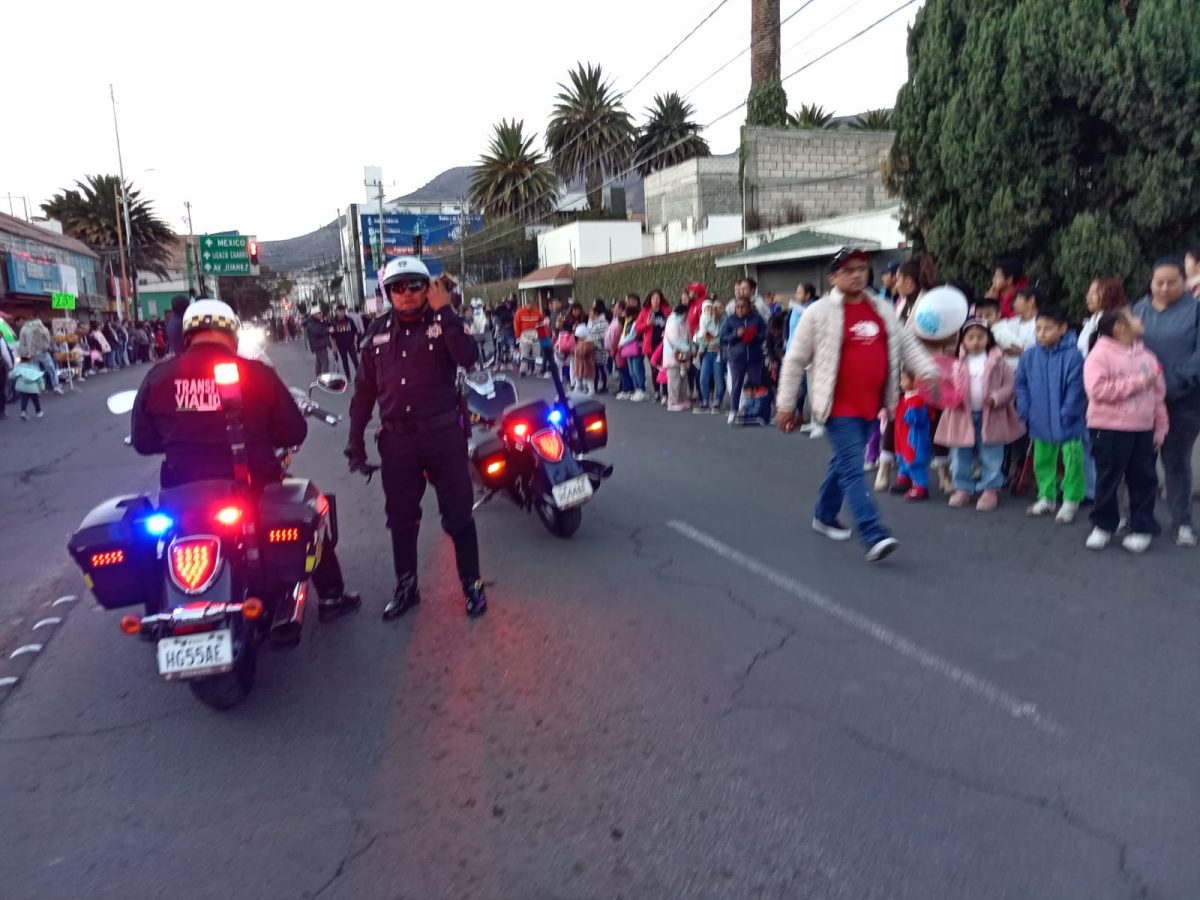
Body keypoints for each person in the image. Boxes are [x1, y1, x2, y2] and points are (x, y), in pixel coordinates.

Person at [130, 299, 361, 620]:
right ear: (232, 335)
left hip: (182, 494)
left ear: (186, 335)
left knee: (158, 541)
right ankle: (332, 597)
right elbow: (293, 431)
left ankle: (160, 605)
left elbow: (143, 442)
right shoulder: (256, 373)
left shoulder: (159, 376)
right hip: (254, 487)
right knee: (312, 508)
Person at [344, 257, 487, 619]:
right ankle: (406, 586)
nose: (405, 294)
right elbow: (363, 393)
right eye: (397, 287)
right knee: (402, 519)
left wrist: (445, 312)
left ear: (428, 288)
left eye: (413, 285)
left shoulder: (445, 322)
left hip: (443, 436)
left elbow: (468, 358)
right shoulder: (375, 333)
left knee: (458, 517)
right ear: (387, 292)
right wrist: (354, 439)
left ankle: (472, 584)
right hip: (397, 443)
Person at [777, 248, 940, 561]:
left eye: (862, 268)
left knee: (843, 463)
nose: (857, 274)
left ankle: (824, 515)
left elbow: (906, 343)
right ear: (834, 276)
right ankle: (873, 532)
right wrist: (786, 405)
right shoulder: (819, 312)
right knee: (853, 469)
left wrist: (928, 371)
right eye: (849, 269)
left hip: (872, 405)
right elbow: (795, 359)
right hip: (838, 408)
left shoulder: (881, 307)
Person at [1083, 309, 1168, 553]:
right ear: (1120, 327)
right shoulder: (1099, 355)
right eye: (1133, 317)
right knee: (1108, 479)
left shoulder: (1149, 357)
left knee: (1144, 480)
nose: (1140, 319)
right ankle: (1103, 525)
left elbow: (1159, 397)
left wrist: (1160, 429)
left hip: (1142, 430)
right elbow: (1097, 391)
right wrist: (1139, 383)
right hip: (1108, 429)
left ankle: (1142, 528)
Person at [1132, 256, 1200, 547]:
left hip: (1182, 398)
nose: (1164, 287)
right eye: (1158, 282)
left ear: (1184, 283)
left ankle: (1182, 522)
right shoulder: (1139, 309)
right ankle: (1137, 520)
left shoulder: (1195, 310)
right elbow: (1125, 349)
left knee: (1176, 462)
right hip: (1141, 399)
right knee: (1138, 462)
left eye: (1171, 282)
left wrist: (1177, 380)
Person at [937, 319, 1025, 511]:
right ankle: (963, 487)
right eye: (970, 337)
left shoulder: (997, 361)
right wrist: (952, 398)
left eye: (980, 337)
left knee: (992, 453)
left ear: (988, 338)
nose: (975, 341)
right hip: (961, 415)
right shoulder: (956, 362)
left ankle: (990, 488)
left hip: (991, 415)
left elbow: (1010, 385)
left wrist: (996, 397)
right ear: (963, 340)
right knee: (960, 453)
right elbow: (945, 386)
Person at [1015, 305, 1087, 523]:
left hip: (1069, 421)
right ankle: (1046, 496)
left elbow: (1077, 388)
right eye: (1038, 328)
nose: (1042, 333)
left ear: (1063, 328)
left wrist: (1067, 413)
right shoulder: (1029, 356)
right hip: (1039, 417)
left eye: (1048, 328)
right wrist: (1025, 408)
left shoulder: (1074, 356)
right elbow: (1021, 384)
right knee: (1042, 460)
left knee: (1072, 461)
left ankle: (1071, 500)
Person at [719, 294, 767, 425]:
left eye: (743, 307)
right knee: (736, 385)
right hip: (736, 358)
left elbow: (764, 333)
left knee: (755, 385)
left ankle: (756, 411)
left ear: (749, 307)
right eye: (737, 307)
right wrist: (736, 334)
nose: (740, 309)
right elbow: (722, 337)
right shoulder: (730, 320)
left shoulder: (757, 319)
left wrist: (755, 335)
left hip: (754, 358)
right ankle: (734, 411)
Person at [694, 299, 724, 414]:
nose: (714, 310)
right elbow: (697, 336)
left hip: (717, 354)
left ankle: (717, 402)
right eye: (712, 308)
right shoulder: (704, 320)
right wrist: (703, 339)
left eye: (717, 308)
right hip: (707, 353)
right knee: (703, 379)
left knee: (719, 380)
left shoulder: (722, 321)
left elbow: (723, 337)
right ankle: (705, 401)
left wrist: (714, 340)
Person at [663, 302, 691, 412]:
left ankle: (682, 399)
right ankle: (672, 401)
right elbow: (675, 339)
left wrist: (689, 348)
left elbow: (688, 336)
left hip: (683, 355)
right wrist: (687, 348)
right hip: (673, 355)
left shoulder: (684, 322)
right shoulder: (672, 322)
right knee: (674, 379)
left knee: (683, 379)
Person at [332, 304, 361, 376]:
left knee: (355, 360)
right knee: (345, 361)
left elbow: (355, 330)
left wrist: (355, 339)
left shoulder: (349, 320)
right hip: (340, 345)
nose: (342, 313)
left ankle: (359, 375)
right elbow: (332, 335)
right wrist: (334, 346)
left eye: (343, 311)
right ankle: (348, 376)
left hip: (350, 343)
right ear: (337, 312)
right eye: (340, 311)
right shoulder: (334, 322)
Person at [305, 308, 333, 377]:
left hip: (319, 344)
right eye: (319, 313)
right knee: (325, 362)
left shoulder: (317, 321)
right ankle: (326, 378)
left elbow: (323, 327)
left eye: (321, 313)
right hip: (319, 344)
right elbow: (318, 332)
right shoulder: (311, 323)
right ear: (314, 314)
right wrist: (328, 330)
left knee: (319, 362)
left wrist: (326, 323)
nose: (321, 314)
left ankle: (319, 376)